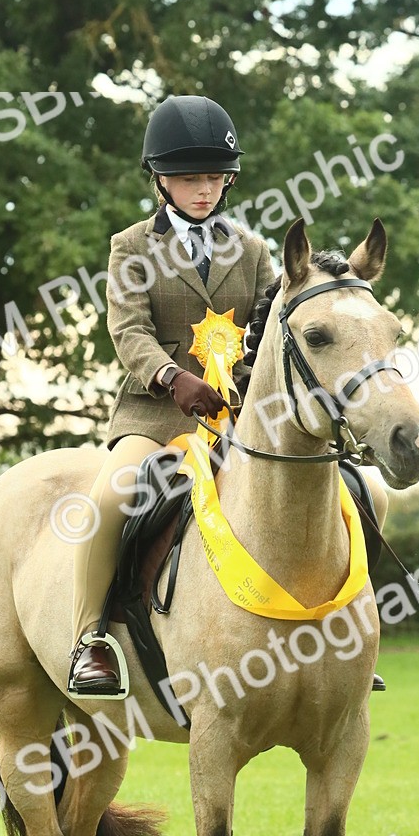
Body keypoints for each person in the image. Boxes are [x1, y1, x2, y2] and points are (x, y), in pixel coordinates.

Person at [68, 94, 276, 696]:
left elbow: (270, 330)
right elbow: (128, 330)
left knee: (342, 490)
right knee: (113, 495)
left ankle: (340, 636)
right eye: (189, 179)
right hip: (156, 415)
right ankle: (89, 640)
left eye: (214, 177)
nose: (204, 190)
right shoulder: (131, 246)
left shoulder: (253, 252)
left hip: (240, 418)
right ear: (160, 180)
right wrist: (170, 377)